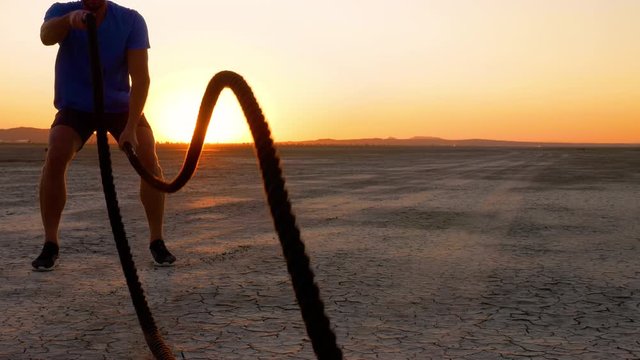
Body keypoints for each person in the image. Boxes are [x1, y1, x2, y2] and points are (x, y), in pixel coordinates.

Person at [32, 0, 176, 270]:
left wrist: (131, 127)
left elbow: (141, 79)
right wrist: (69, 21)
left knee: (147, 154)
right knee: (56, 153)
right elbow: (45, 36)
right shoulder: (61, 11)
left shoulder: (131, 20)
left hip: (120, 107)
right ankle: (50, 243)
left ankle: (157, 240)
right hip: (76, 107)